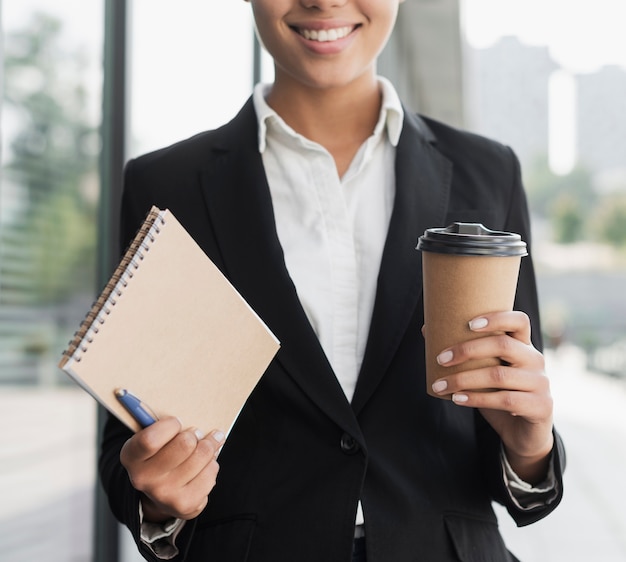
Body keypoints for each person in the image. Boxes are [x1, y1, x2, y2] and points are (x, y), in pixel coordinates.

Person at [98, 0, 565, 560]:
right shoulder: (167, 184)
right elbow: (124, 432)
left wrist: (530, 447)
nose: (323, 1)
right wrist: (158, 500)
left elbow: (508, 429)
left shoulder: (488, 173)